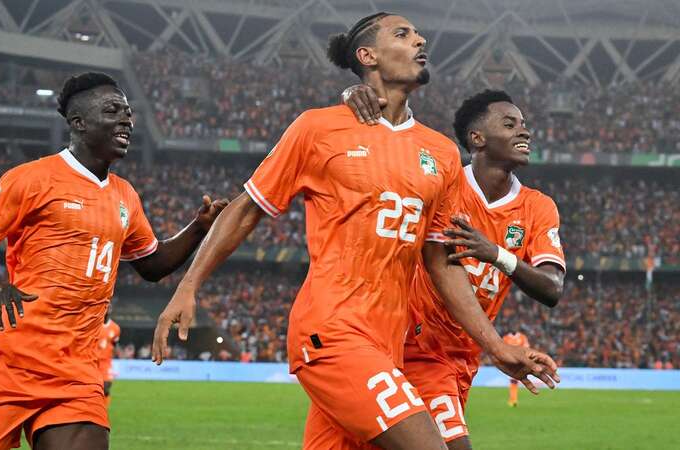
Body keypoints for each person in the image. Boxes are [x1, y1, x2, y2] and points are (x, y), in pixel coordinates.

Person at [153, 13, 558, 450]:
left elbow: (439, 261)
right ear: (367, 56)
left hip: (389, 348)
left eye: (419, 34)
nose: (420, 40)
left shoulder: (440, 153)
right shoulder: (318, 128)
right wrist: (189, 284)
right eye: (403, 35)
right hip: (332, 333)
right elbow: (249, 208)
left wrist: (495, 347)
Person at [0, 72, 227, 450]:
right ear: (79, 122)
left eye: (128, 112)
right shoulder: (31, 179)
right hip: (12, 365)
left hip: (76, 373)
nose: (126, 120)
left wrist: (198, 228)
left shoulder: (126, 196)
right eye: (113, 111)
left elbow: (153, 264)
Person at [343, 88, 566, 449]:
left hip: (463, 358)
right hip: (414, 347)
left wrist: (496, 253)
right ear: (477, 138)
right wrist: (354, 93)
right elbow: (390, 143)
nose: (524, 132)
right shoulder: (444, 183)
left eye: (524, 125)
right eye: (509, 124)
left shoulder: (538, 208)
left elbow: (552, 287)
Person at [98, 306, 121, 408]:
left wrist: (117, 353)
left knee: (106, 387)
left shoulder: (115, 328)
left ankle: (103, 410)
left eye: (110, 307)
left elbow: (115, 344)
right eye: (106, 307)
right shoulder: (94, 325)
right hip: (92, 361)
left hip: (106, 362)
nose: (108, 309)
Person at [503, 331, 530, 407]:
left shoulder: (522, 337)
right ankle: (513, 400)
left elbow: (526, 348)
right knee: (513, 381)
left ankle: (513, 400)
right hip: (510, 361)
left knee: (514, 381)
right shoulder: (506, 338)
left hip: (519, 362)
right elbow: (502, 349)